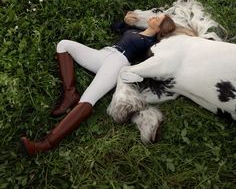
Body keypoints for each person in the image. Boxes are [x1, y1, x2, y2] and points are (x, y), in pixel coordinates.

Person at [20, 12, 176, 156]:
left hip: (117, 63)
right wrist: (125, 22)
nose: (154, 17)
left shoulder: (152, 44)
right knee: (63, 45)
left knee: (88, 99)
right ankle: (70, 93)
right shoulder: (135, 30)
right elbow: (116, 28)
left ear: (159, 29)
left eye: (158, 19)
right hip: (103, 54)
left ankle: (45, 144)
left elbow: (155, 62)